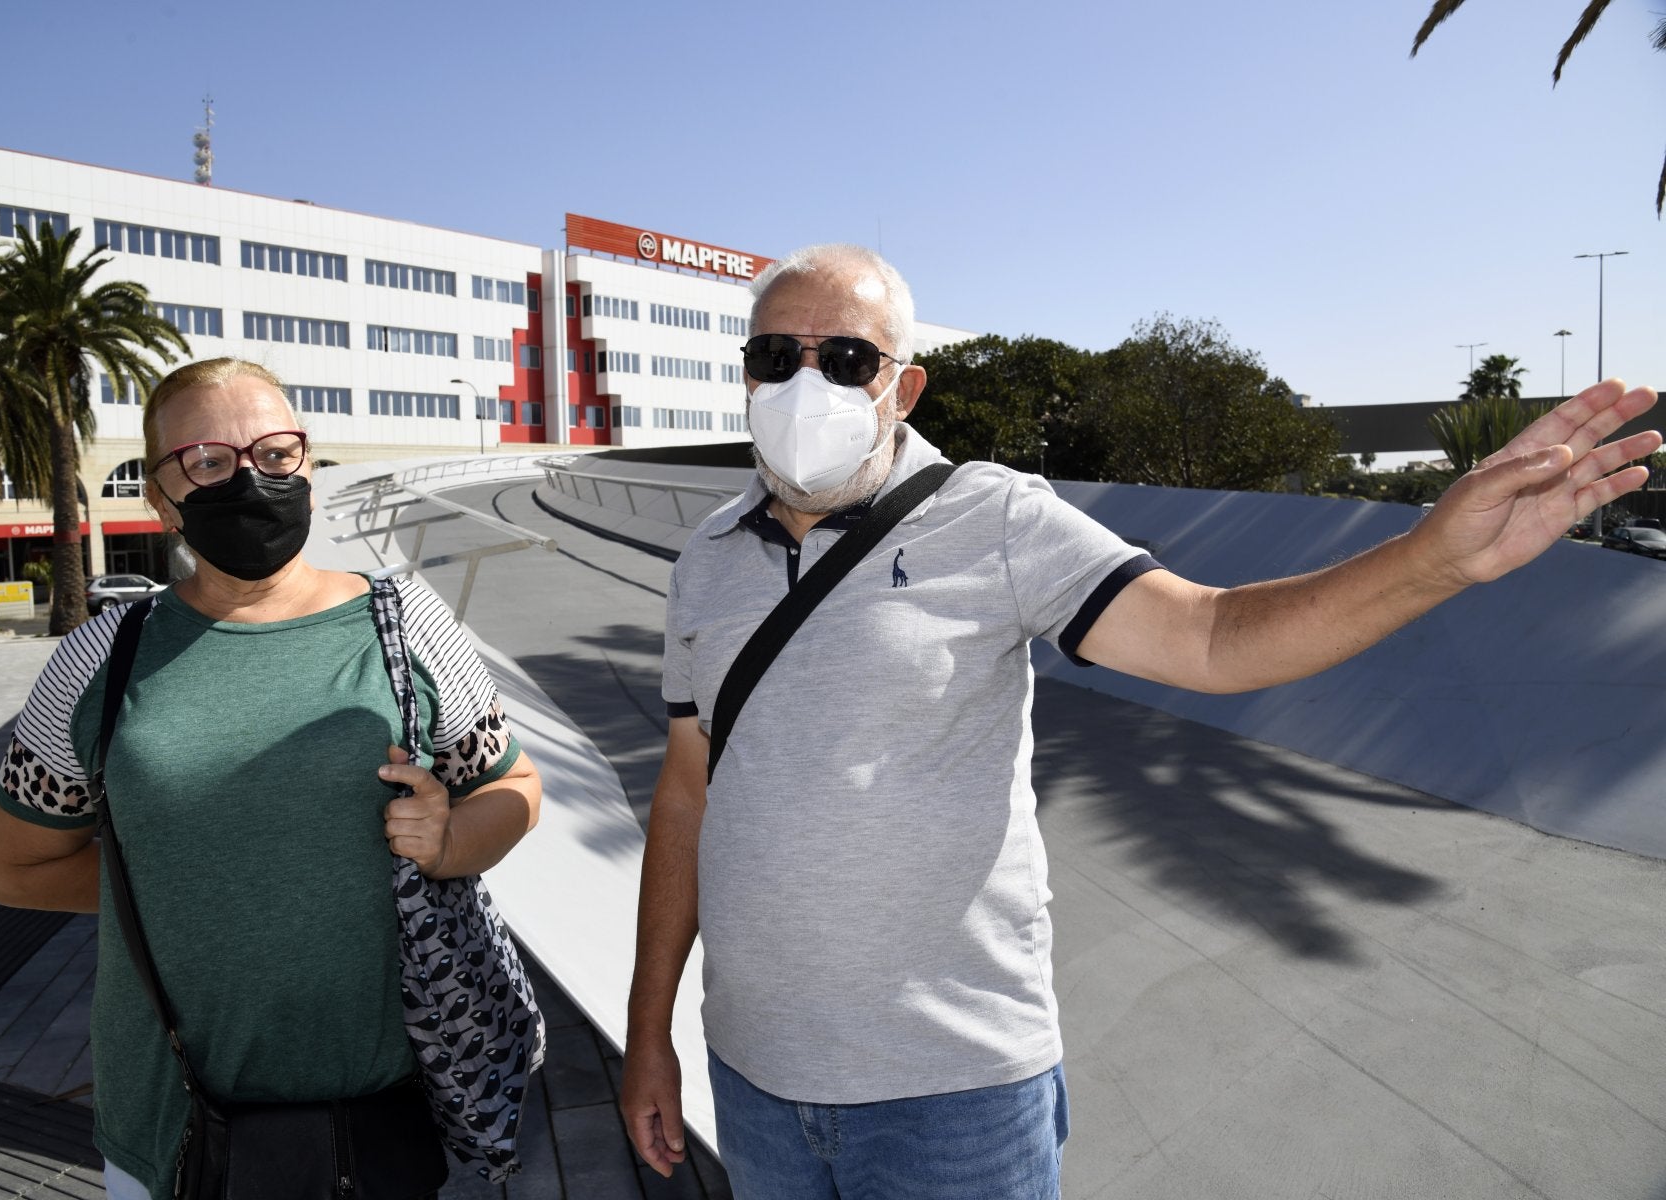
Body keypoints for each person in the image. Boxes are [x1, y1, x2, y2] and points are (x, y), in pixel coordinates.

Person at [618, 244, 1659, 1198]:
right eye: (777, 354)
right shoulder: (708, 560)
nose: (809, 384)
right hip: (750, 1078)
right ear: (746, 372)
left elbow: (1211, 638)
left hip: (952, 1100)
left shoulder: (998, 517)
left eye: (846, 357)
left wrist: (1435, 558)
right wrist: (648, 1029)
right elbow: (686, 794)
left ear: (904, 385)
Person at [0, 357, 543, 1200]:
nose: (251, 477)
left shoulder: (408, 623)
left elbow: (517, 789)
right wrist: (176, 885)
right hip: (171, 1130)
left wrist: (454, 837)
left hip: (382, 1122)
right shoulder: (99, 658)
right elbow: (11, 868)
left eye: (276, 452)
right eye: (208, 461)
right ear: (162, 498)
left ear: (307, 464)